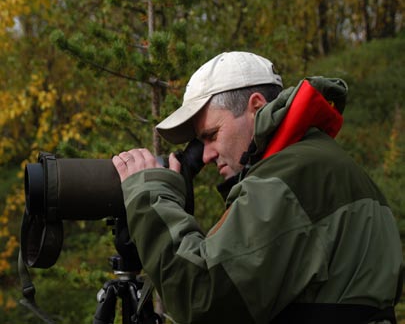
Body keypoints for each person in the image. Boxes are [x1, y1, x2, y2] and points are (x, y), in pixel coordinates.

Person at [112, 51, 403, 324]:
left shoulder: (288, 176)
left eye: (211, 135)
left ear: (256, 107)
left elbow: (204, 297)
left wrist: (149, 198)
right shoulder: (322, 162)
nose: (207, 154)